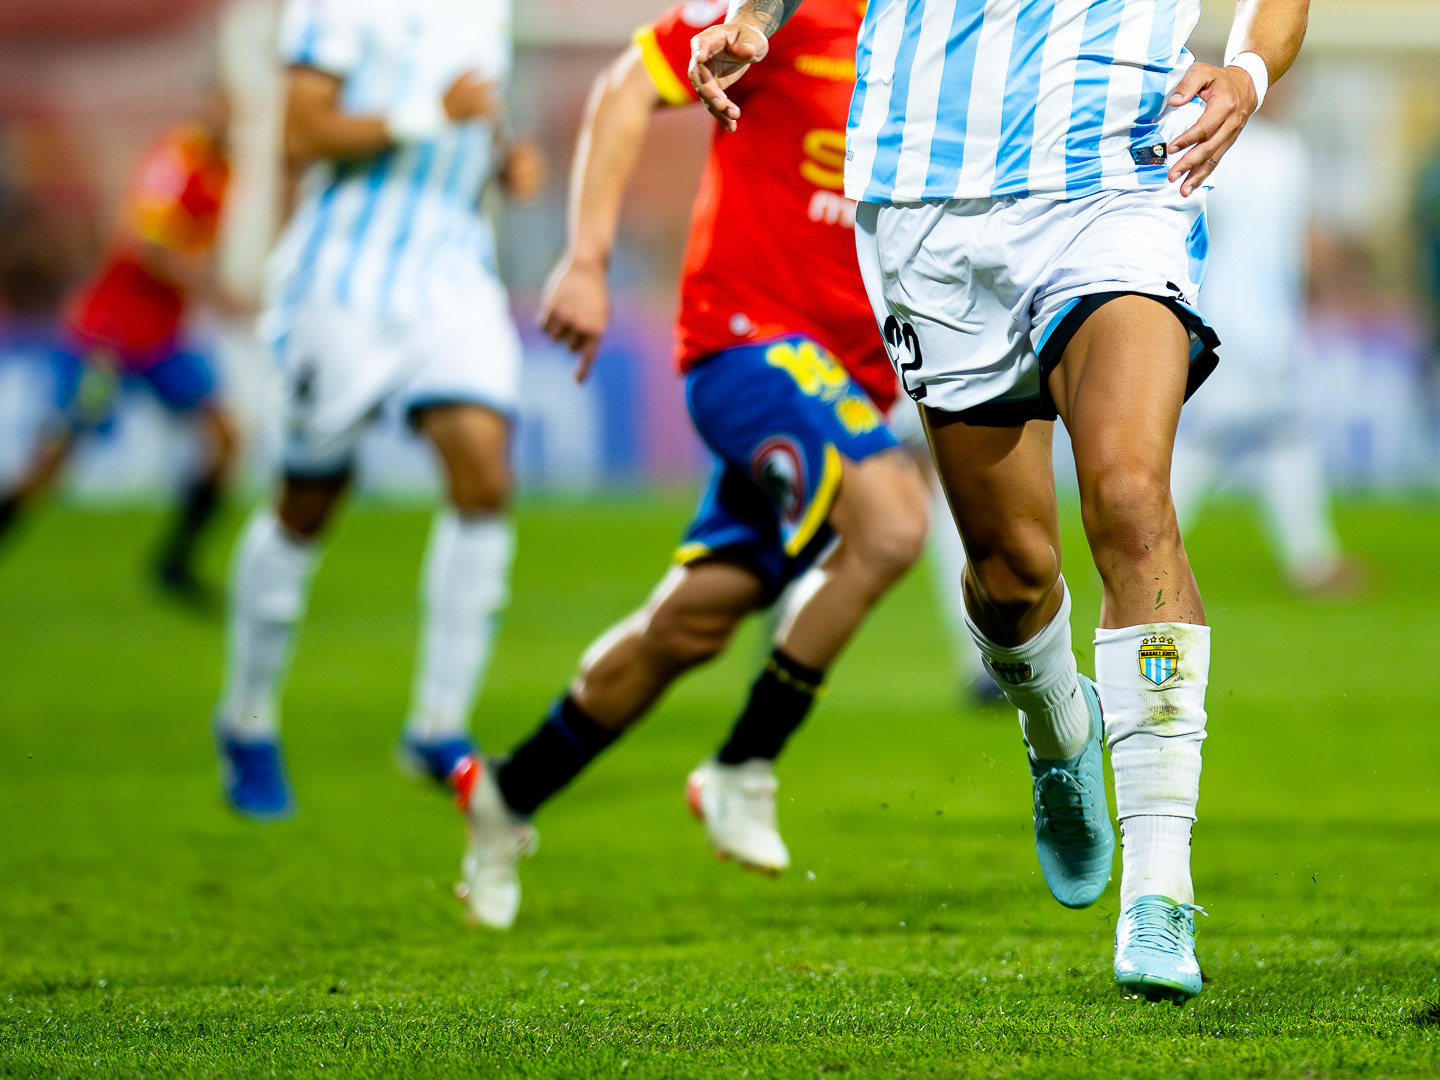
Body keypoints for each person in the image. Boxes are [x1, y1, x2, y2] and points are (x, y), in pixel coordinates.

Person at [692, 0, 1309, 1002]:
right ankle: (1056, 733)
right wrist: (756, 17)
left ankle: (1159, 887)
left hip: (1115, 178)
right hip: (924, 200)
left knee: (1129, 496)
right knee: (1014, 574)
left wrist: (1247, 73)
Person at [454, 0, 930, 930]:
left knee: (694, 623)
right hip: (748, 341)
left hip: (852, 381)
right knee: (896, 524)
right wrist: (586, 260)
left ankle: (508, 791)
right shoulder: (784, 11)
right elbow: (629, 84)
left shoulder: (965, 41)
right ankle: (744, 764)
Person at [213, 0, 542, 820]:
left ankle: (438, 725)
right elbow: (300, 135)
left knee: (486, 477)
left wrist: (503, 159)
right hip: (344, 281)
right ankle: (247, 720)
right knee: (306, 504)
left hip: (451, 274)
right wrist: (433, 115)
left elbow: (476, 113)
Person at [0, 100, 240, 603]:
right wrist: (218, 293)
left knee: (223, 438)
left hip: (161, 334)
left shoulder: (223, 169)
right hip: (110, 334)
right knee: (54, 456)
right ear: (209, 104)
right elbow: (147, 246)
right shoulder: (180, 158)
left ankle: (174, 564)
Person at [1171, 114, 1361, 596]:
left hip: (1275, 323)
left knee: (1274, 435)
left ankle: (1311, 560)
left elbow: (1297, 240)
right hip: (1229, 317)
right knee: (1226, 436)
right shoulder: (1216, 140)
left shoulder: (1288, 147)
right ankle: (1142, 543)